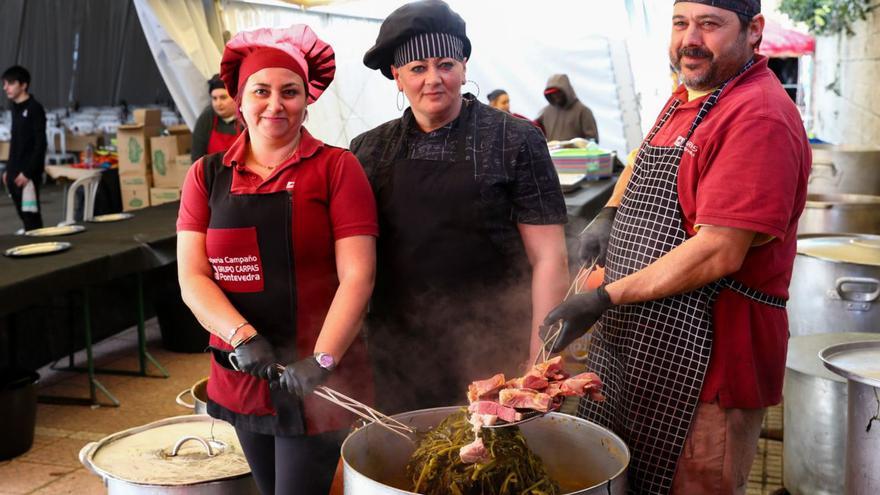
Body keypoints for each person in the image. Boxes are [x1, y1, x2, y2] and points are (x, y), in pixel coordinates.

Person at [543, 1, 810, 494]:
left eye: (709, 24)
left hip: (710, 366)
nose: (691, 38)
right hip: (643, 350)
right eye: (681, 22)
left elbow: (719, 250)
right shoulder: (688, 96)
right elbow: (642, 158)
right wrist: (609, 214)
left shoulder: (759, 116)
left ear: (753, 31)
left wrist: (603, 298)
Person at [176, 24, 377, 494]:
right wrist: (242, 337)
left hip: (318, 377)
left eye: (290, 91)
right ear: (238, 99)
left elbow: (358, 275)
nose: (275, 104)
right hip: (242, 374)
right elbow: (193, 276)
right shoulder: (206, 175)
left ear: (307, 101)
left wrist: (323, 359)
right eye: (260, 91)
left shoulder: (336, 168)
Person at [351, 0, 569, 414]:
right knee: (408, 468)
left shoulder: (515, 139)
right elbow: (355, 263)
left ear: (465, 67)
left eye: (445, 64)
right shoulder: (368, 150)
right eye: (417, 68)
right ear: (396, 77)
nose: (433, 79)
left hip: (495, 345)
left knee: (496, 469)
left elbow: (549, 258)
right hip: (398, 353)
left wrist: (540, 358)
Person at [2, 65, 46, 233]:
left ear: (23, 85)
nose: (5, 87)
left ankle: (39, 248)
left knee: (31, 216)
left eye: (10, 83)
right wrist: (8, 169)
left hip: (28, 173)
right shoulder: (15, 108)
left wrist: (28, 173)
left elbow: (40, 144)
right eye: (5, 83)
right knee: (23, 215)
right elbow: (16, 143)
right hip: (14, 171)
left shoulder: (35, 108)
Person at [190, 74, 241, 162]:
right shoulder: (206, 119)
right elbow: (197, 158)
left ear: (235, 97)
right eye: (214, 98)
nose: (218, 103)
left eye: (223, 97)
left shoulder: (246, 119)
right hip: (213, 174)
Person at [536, 73, 599, 143]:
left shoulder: (583, 111)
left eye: (558, 92)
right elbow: (535, 130)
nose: (555, 96)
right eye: (552, 93)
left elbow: (592, 140)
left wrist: (577, 146)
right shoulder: (546, 112)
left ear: (567, 91)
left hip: (575, 153)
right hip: (552, 153)